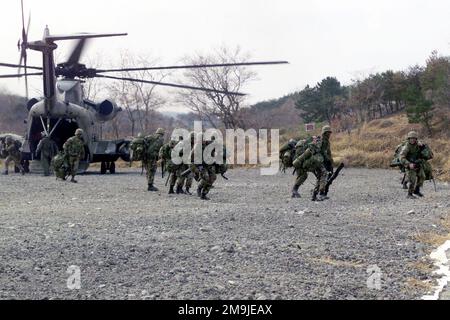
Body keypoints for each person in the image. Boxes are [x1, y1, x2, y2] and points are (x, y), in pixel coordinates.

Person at [291, 135, 328, 201]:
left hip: (305, 163)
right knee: (304, 176)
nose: (316, 140)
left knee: (317, 175)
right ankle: (319, 193)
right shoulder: (309, 145)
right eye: (315, 139)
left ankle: (295, 191)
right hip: (301, 163)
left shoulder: (309, 145)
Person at [399, 131, 432, 199]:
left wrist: (422, 147)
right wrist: (408, 164)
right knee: (412, 179)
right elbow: (401, 157)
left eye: (414, 138)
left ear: (416, 139)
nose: (412, 140)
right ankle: (409, 194)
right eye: (411, 138)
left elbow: (428, 155)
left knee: (422, 176)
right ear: (408, 139)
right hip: (409, 165)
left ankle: (416, 191)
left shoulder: (419, 145)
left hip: (417, 164)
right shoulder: (406, 147)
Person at [320, 125, 334, 197]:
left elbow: (328, 151)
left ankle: (324, 191)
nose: (329, 134)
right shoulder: (323, 141)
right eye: (328, 132)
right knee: (324, 175)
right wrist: (328, 159)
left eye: (329, 132)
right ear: (324, 133)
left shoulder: (327, 141)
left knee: (330, 174)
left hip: (326, 160)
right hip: (323, 161)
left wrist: (331, 159)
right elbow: (323, 152)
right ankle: (321, 192)